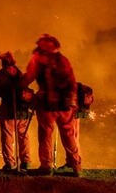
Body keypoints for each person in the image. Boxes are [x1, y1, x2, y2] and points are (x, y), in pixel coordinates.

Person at [21, 34, 81, 177]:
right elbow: (72, 81)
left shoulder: (38, 59)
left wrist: (19, 85)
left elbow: (29, 77)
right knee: (68, 135)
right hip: (65, 104)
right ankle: (76, 166)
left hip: (47, 104)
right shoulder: (63, 60)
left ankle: (46, 166)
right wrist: (72, 101)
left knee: (45, 134)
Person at [0, 52, 31, 172]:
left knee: (7, 137)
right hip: (22, 111)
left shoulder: (0, 76)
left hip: (8, 110)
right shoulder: (20, 74)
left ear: (3, 63)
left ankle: (10, 163)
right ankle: (26, 161)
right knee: (24, 136)